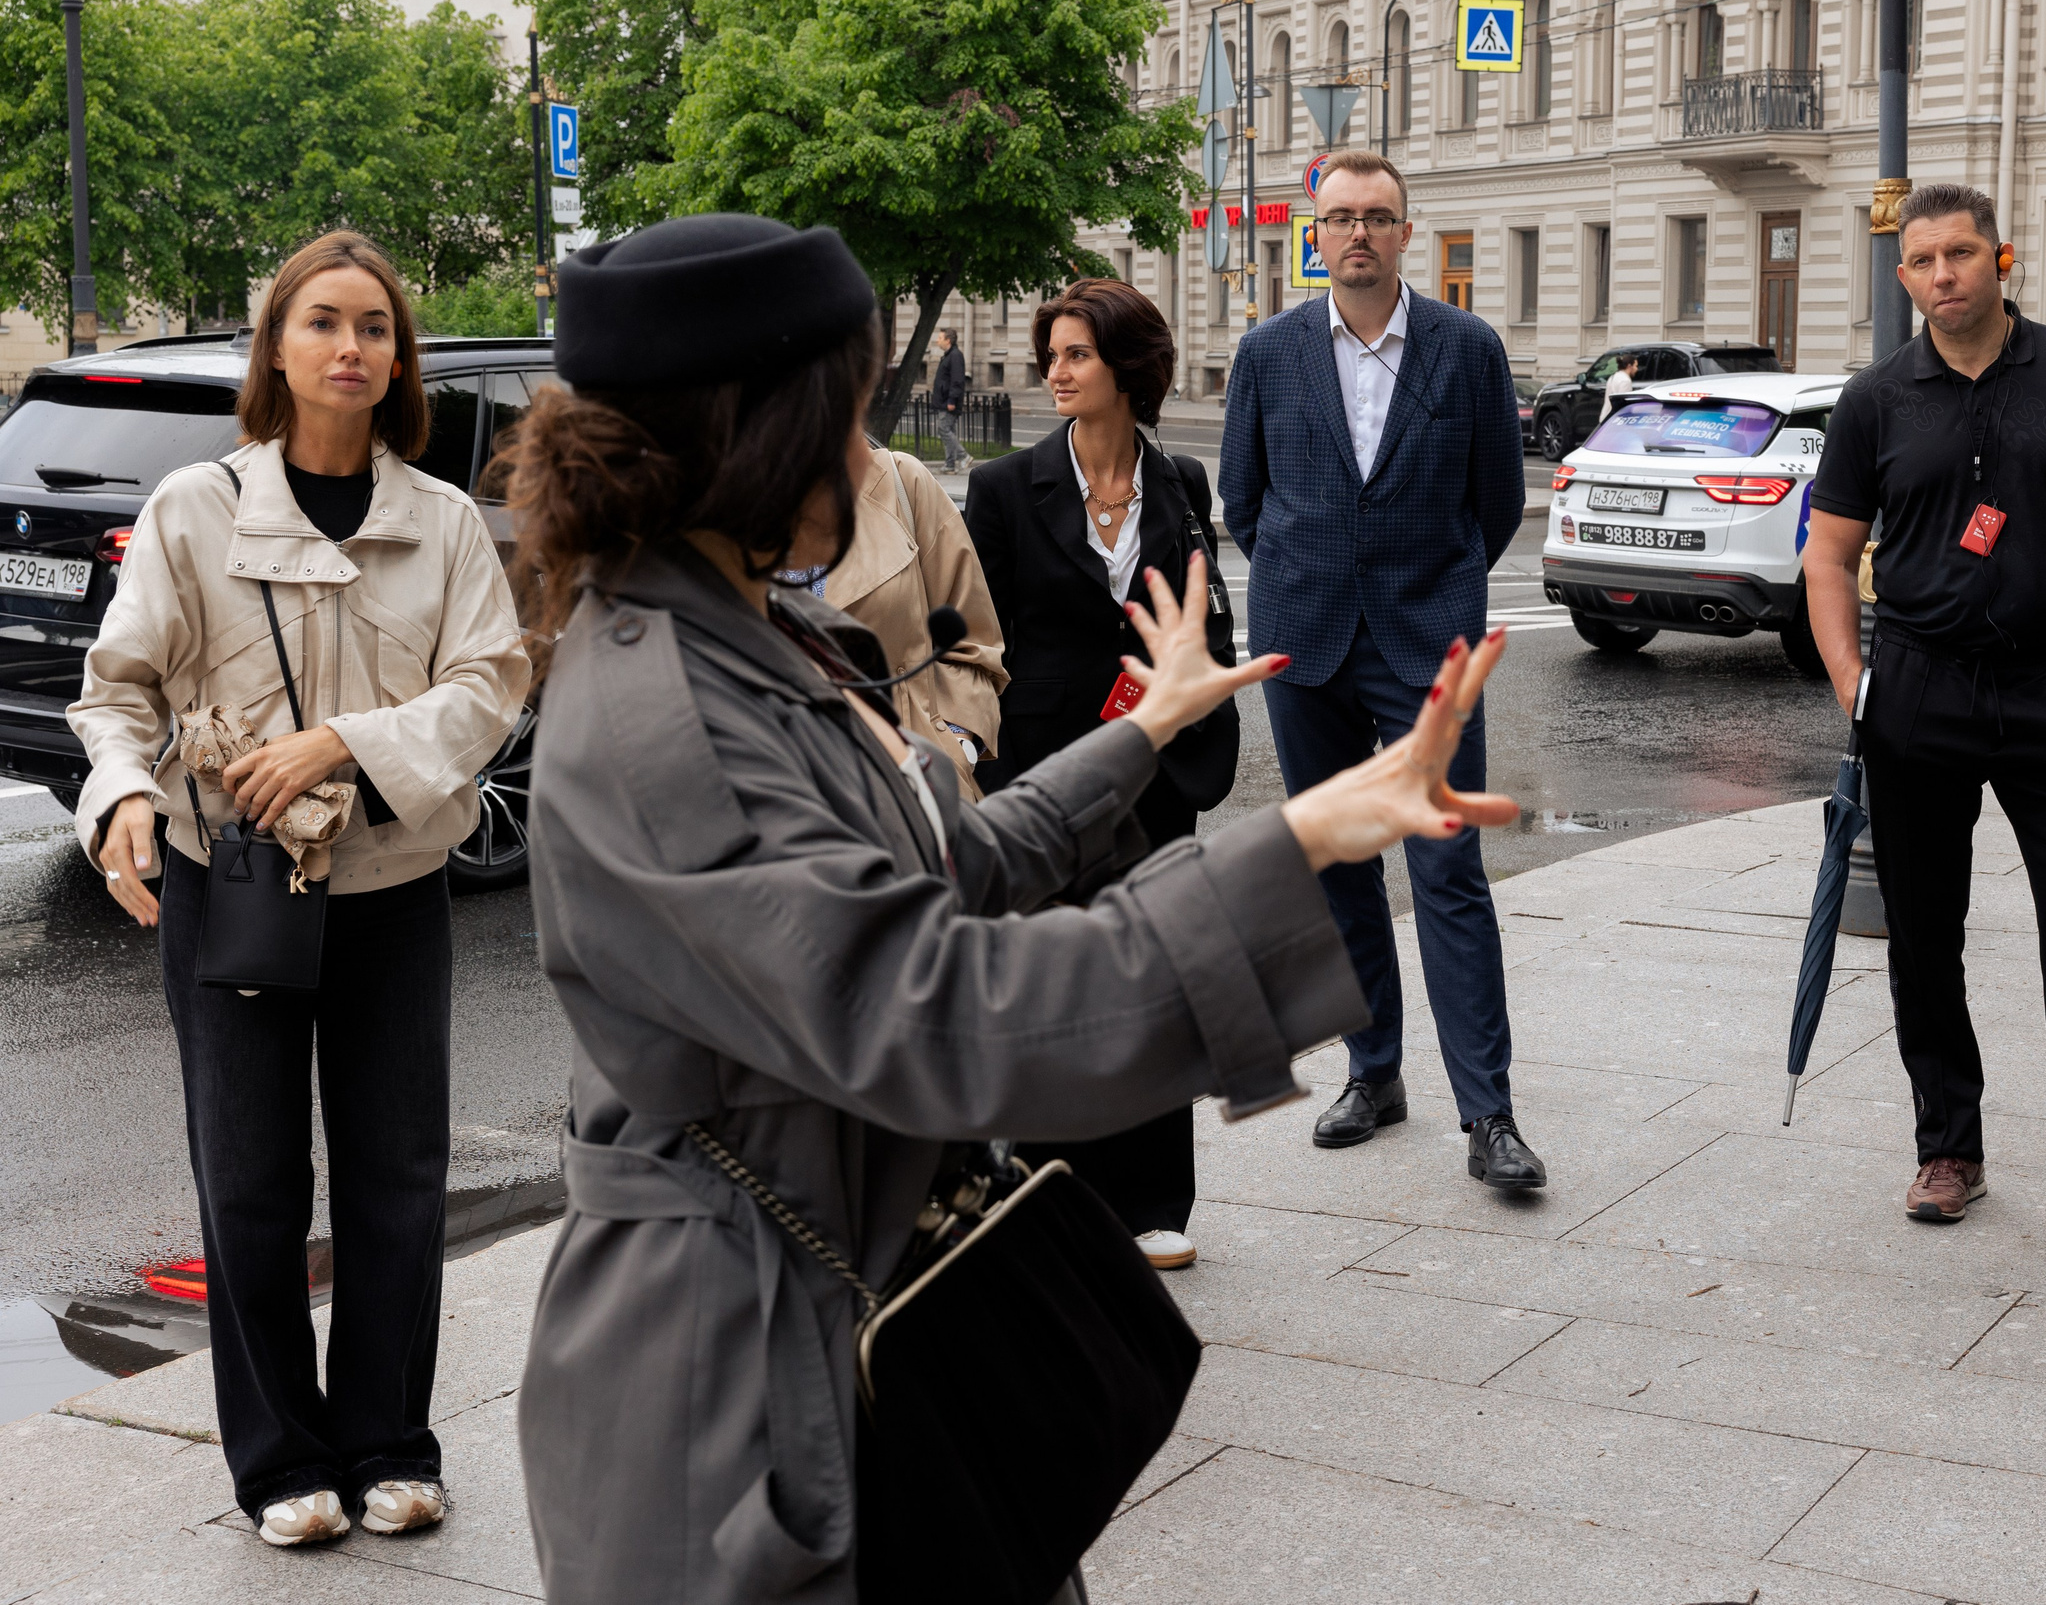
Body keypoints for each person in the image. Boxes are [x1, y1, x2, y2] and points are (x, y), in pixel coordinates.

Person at [505, 212, 1516, 1605]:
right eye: (849, 421)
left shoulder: (738, 627)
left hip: (844, 1307)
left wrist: (1144, 737)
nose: (867, 459)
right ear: (759, 439)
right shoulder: (672, 716)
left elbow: (937, 864)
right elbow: (942, 1007)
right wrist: (1286, 848)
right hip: (735, 1393)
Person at [68, 229, 532, 1546]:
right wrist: (126, 797)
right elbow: (116, 694)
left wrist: (349, 743)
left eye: (374, 327)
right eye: (323, 321)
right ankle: (277, 1455)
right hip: (232, 885)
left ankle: (391, 1437)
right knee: (252, 1185)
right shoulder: (192, 511)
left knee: (396, 1175)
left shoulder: (441, 522)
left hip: (389, 882)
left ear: (399, 360)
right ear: (277, 344)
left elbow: (490, 684)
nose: (350, 346)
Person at [1801, 182, 2046, 1253]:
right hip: (1916, 691)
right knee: (1924, 937)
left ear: (2001, 259)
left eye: (1960, 254)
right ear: (1904, 273)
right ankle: (1947, 1148)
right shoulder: (1876, 398)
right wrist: (1853, 684)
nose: (1941, 275)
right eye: (1920, 261)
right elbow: (1827, 555)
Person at [1219, 150, 1544, 1190]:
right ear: (1314, 236)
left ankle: (1488, 1116)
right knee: (1336, 868)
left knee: (1447, 872)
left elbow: (1494, 503)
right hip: (1304, 642)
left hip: (1426, 651)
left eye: (1377, 217)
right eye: (1339, 218)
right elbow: (1243, 501)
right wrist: (1306, 570)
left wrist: (1436, 589)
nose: (1357, 233)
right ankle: (1374, 1071)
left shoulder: (1465, 349)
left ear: (1407, 232)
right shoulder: (1267, 353)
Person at [964, 277, 1238, 1270]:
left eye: (1077, 353)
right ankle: (1050, 1192)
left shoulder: (1182, 486)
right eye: (1053, 353)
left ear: (1126, 366)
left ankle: (1155, 1200)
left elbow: (1207, 622)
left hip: (1157, 771)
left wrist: (1191, 672)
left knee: (1155, 976)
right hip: (1043, 770)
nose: (1057, 370)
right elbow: (982, 645)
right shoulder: (1003, 491)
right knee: (1053, 979)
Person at [822, 441, 1006, 799]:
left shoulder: (901, 481)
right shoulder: (713, 513)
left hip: (916, 785)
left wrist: (955, 748)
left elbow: (973, 641)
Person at [932, 325, 969, 472]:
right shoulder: (949, 355)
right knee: (948, 431)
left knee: (944, 429)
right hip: (945, 400)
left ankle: (963, 455)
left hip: (948, 401)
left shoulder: (955, 356)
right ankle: (950, 464)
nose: (937, 341)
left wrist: (952, 400)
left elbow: (957, 380)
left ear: (948, 340)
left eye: (940, 338)